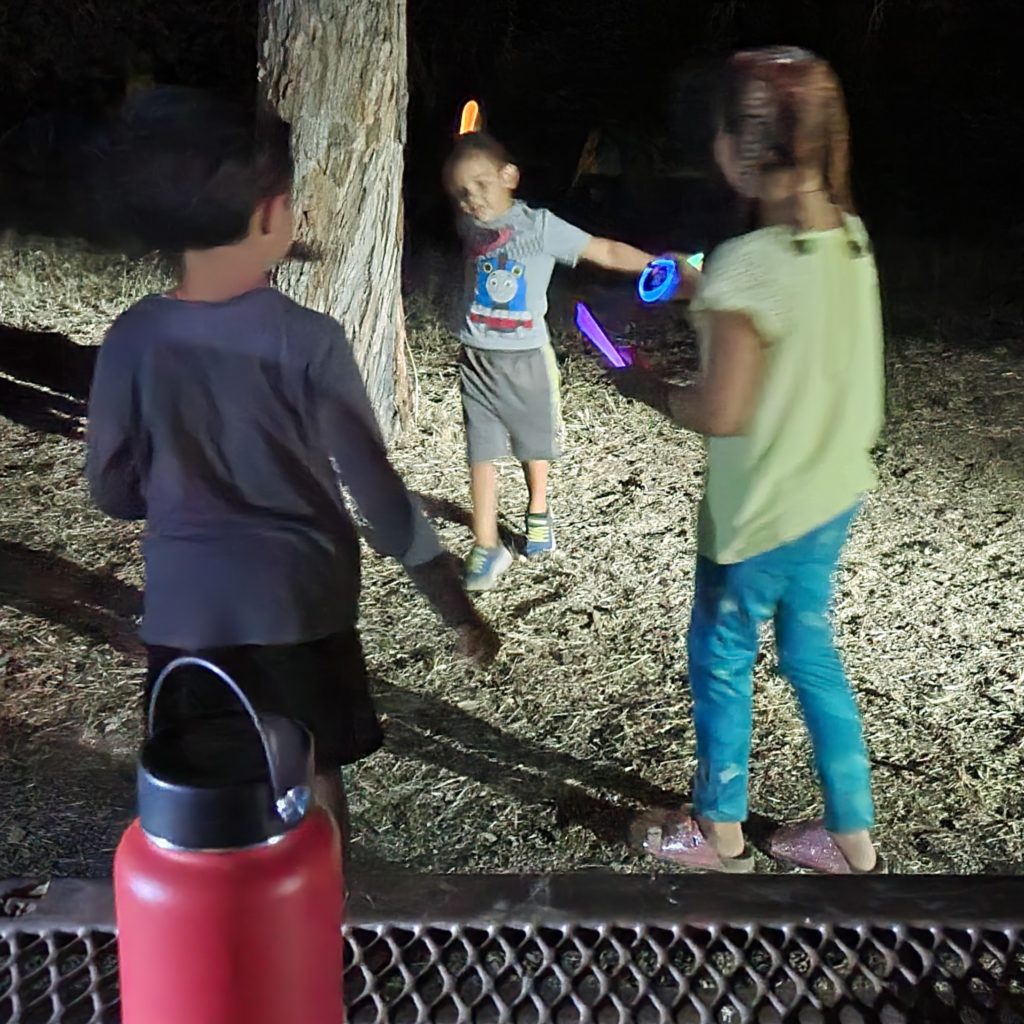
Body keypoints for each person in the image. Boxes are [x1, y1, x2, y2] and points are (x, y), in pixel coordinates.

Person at [86, 87, 499, 848]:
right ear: (272, 215)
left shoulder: (134, 338)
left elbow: (111, 490)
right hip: (299, 606)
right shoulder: (310, 339)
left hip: (189, 614)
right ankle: (324, 927)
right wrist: (454, 605)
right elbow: (377, 490)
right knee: (308, 779)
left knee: (202, 791)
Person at [612, 48, 885, 874]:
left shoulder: (744, 267)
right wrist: (708, 288)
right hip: (830, 498)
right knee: (810, 655)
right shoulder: (851, 242)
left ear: (736, 148)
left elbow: (720, 410)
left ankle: (719, 834)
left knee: (723, 661)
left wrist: (646, 387)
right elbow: (790, 315)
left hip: (757, 518)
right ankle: (851, 841)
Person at [444, 132, 657, 590]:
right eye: (462, 192)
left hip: (525, 360)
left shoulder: (539, 227)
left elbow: (601, 249)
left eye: (481, 184)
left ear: (510, 177)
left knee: (531, 444)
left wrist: (653, 265)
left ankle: (537, 510)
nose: (473, 199)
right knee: (481, 453)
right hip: (477, 360)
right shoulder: (470, 226)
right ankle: (486, 545)